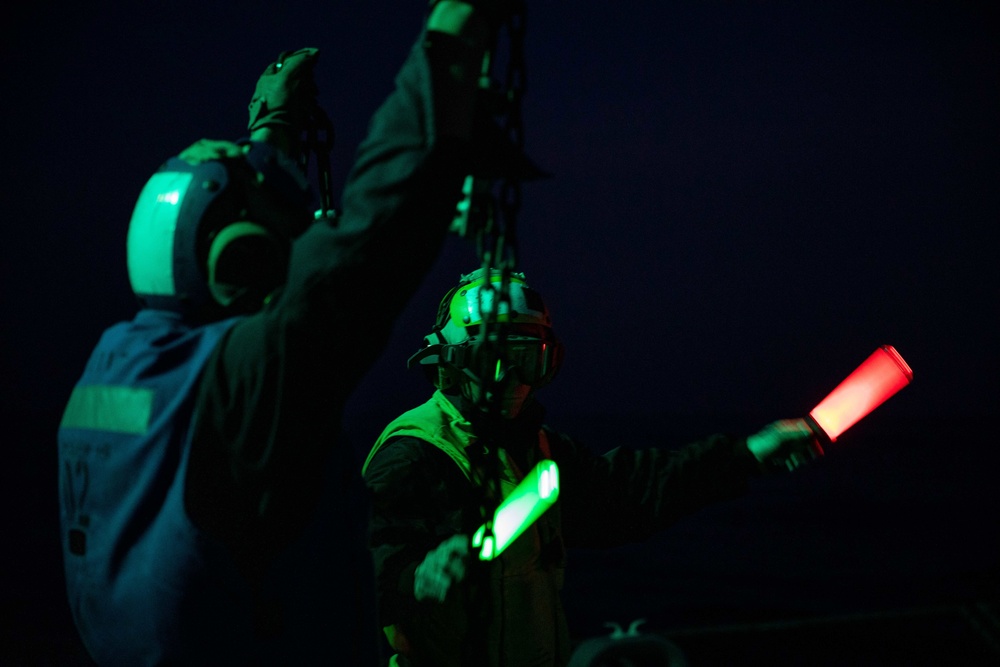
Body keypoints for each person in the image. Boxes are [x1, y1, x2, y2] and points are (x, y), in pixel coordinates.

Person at [56, 2, 512, 664]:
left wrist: (273, 135)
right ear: (250, 257)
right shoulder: (244, 384)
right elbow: (363, 250)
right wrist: (450, 38)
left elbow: (219, 247)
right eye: (281, 245)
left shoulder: (117, 366)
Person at [361, 268, 825, 667]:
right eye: (489, 358)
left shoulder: (539, 452)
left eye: (526, 359)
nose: (509, 379)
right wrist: (418, 575)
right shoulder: (411, 457)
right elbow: (366, 574)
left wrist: (747, 454)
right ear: (450, 363)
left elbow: (630, 491)